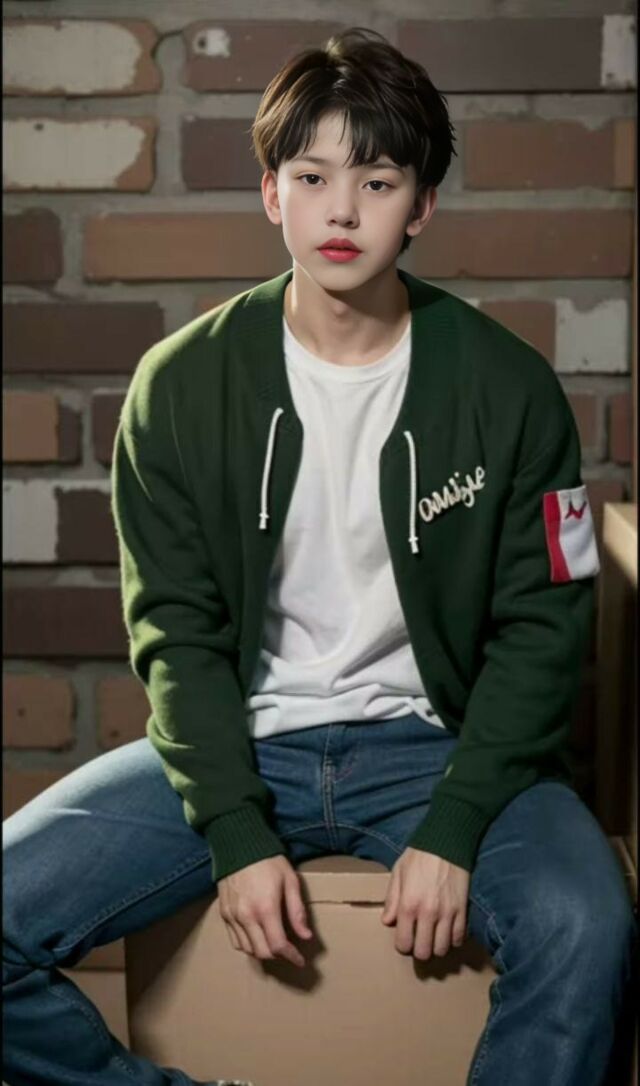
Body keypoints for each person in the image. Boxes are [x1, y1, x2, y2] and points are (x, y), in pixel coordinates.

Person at [3, 25, 637, 1086]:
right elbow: (176, 634)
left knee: (588, 923)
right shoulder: (179, 387)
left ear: (421, 206)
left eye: (377, 181)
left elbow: (546, 624)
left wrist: (457, 822)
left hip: (434, 745)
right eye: (312, 177)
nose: (342, 211)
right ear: (271, 194)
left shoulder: (510, 386)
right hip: (240, 741)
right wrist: (234, 830)